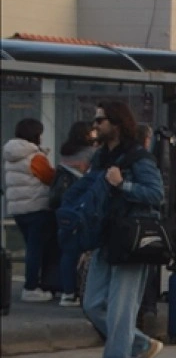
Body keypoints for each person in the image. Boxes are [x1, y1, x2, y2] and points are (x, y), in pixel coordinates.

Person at [65, 102, 166, 358]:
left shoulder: (138, 157)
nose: (95, 125)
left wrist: (123, 185)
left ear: (117, 124)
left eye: (101, 120)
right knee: (92, 303)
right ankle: (140, 344)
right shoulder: (101, 157)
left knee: (120, 309)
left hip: (131, 239)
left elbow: (156, 194)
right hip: (104, 237)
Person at [4, 118, 58, 303]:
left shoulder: (12, 154)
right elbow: (50, 178)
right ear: (35, 135)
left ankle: (34, 284)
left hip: (19, 210)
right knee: (36, 249)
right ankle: (31, 287)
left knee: (32, 247)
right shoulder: (35, 157)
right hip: (36, 207)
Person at [52, 121, 98, 306]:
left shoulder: (65, 152)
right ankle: (79, 290)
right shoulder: (92, 153)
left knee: (68, 250)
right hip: (82, 204)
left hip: (64, 203)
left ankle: (67, 291)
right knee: (84, 249)